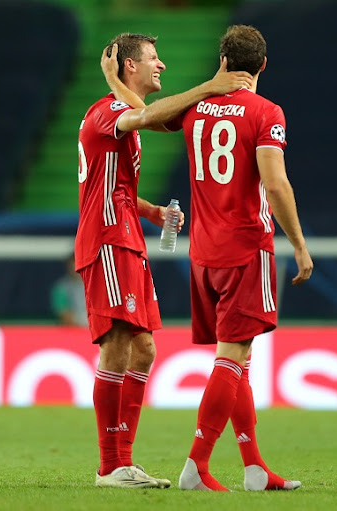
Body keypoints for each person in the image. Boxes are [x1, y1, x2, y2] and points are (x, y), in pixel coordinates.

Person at [81, 32, 252, 489]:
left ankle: (123, 461)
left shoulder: (122, 114)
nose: (162, 66)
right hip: (108, 242)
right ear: (129, 67)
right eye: (154, 59)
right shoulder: (108, 111)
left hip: (128, 237)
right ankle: (110, 465)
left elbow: (112, 183)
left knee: (145, 348)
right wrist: (210, 87)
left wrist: (152, 211)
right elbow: (146, 116)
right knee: (118, 344)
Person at [157, 25, 312, 492]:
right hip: (246, 247)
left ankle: (254, 468)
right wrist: (300, 246)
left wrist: (116, 82)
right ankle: (196, 467)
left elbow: (143, 116)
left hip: (202, 253)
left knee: (238, 359)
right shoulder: (266, 112)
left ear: (222, 61)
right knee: (233, 356)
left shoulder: (192, 109)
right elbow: (276, 184)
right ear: (263, 65)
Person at [51, 252, 88, 327]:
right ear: (68, 266)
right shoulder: (61, 288)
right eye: (73, 264)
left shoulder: (98, 286)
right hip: (72, 333)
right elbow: (65, 317)